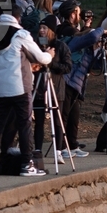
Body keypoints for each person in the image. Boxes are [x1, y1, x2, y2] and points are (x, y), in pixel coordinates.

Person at [0, 7, 53, 176]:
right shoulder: (20, 35)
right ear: (18, 18)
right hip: (19, 87)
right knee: (24, 125)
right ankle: (26, 165)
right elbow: (41, 58)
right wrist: (49, 54)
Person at [55, 0, 107, 158]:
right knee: (64, 115)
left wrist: (106, 50)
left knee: (73, 116)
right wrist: (102, 30)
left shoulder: (84, 41)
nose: (80, 14)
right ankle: (60, 148)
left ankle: (72, 145)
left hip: (77, 83)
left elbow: (96, 66)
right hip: (68, 79)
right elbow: (93, 35)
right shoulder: (74, 36)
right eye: (78, 11)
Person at [32, 16, 71, 168]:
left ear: (51, 31)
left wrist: (50, 61)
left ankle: (58, 151)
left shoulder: (60, 46)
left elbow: (67, 67)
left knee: (57, 121)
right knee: (39, 121)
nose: (41, 31)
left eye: (44, 28)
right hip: (39, 89)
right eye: (40, 28)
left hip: (56, 89)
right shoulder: (35, 45)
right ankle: (37, 150)